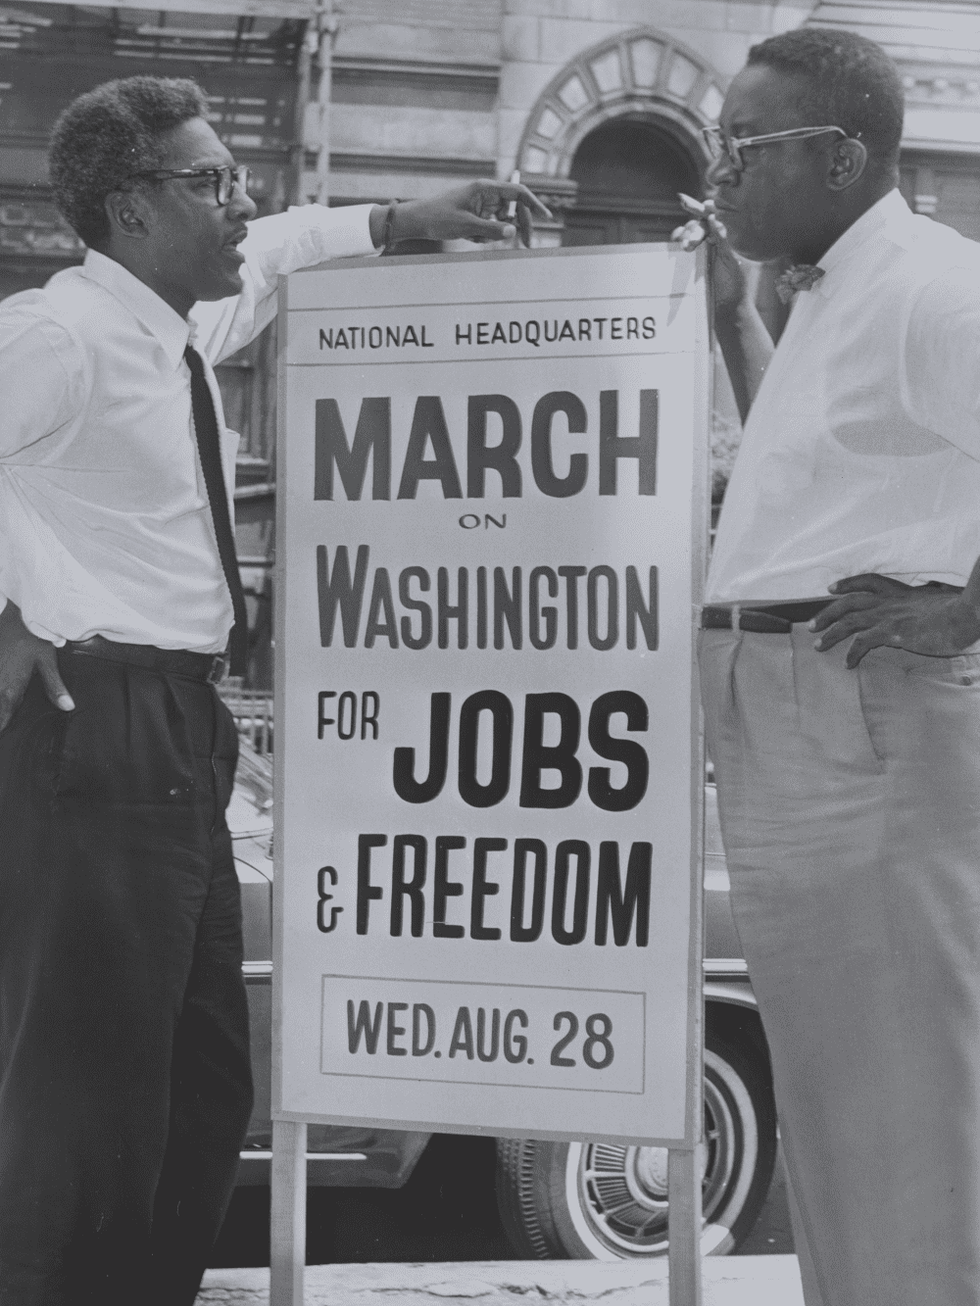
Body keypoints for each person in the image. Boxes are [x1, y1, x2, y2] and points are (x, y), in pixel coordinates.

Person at [0, 74, 548, 1306]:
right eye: (212, 181)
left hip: (179, 730)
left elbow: (287, 246)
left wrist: (405, 221)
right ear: (133, 208)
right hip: (95, 732)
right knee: (86, 1095)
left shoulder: (172, 329)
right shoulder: (55, 336)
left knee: (201, 1085)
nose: (242, 199)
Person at [697, 27, 980, 1306]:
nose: (719, 174)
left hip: (860, 717)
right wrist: (728, 329)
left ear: (840, 153)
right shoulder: (820, 287)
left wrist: (963, 616)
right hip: (788, 712)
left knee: (905, 1107)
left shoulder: (929, 284)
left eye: (741, 148)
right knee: (831, 1103)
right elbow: (817, 473)